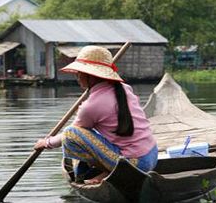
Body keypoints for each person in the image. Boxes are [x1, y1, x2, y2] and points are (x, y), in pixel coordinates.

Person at [34, 45, 158, 184]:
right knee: (90, 133)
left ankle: (102, 173)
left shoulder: (91, 105)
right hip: (152, 154)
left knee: (70, 133)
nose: (77, 76)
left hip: (134, 165)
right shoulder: (124, 88)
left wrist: (46, 143)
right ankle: (105, 172)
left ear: (89, 75)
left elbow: (71, 135)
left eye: (79, 72)